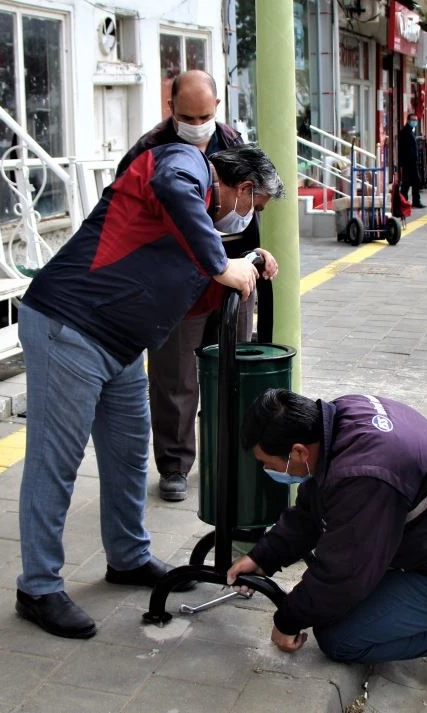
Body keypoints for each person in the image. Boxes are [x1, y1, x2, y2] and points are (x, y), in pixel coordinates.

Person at [15, 144, 284, 640]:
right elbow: (170, 187)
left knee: (130, 453)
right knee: (54, 463)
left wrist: (239, 264)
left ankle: (128, 556)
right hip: (68, 326)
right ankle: (37, 586)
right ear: (242, 188)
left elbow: (189, 287)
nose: (249, 217)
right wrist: (222, 263)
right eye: (256, 206)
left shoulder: (196, 223)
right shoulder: (184, 163)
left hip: (117, 343)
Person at [227, 389, 427, 699]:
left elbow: (343, 575)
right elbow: (313, 509)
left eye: (270, 464)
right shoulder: (340, 417)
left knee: (338, 637)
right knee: (332, 599)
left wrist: (286, 621)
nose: (270, 472)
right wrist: (264, 555)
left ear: (299, 452)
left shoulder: (364, 475)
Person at [115, 70, 271, 502]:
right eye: (188, 115)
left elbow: (254, 199)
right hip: (175, 286)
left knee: (231, 372)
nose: (197, 123)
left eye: (205, 114)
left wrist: (258, 254)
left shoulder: (232, 141)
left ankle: (228, 456)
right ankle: (175, 466)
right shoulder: (149, 150)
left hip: (231, 279)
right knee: (174, 381)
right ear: (171, 109)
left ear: (217, 108)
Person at [397, 113, 426, 208]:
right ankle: (405, 201)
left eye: (416, 120)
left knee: (410, 182)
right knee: (409, 183)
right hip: (408, 162)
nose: (415, 122)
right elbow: (404, 148)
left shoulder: (410, 131)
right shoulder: (405, 131)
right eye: (413, 120)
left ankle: (407, 201)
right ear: (408, 120)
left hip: (411, 161)